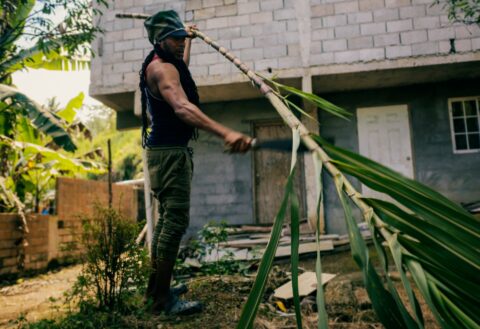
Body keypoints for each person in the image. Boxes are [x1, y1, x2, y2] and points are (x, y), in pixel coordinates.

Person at [139, 10, 252, 315]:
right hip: (169, 154)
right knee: (174, 223)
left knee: (166, 224)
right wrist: (225, 131)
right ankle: (161, 300)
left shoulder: (165, 63)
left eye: (183, 37)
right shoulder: (161, 70)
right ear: (160, 40)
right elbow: (182, 107)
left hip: (164, 152)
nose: (181, 42)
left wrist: (190, 43)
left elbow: (181, 71)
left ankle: (155, 292)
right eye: (176, 38)